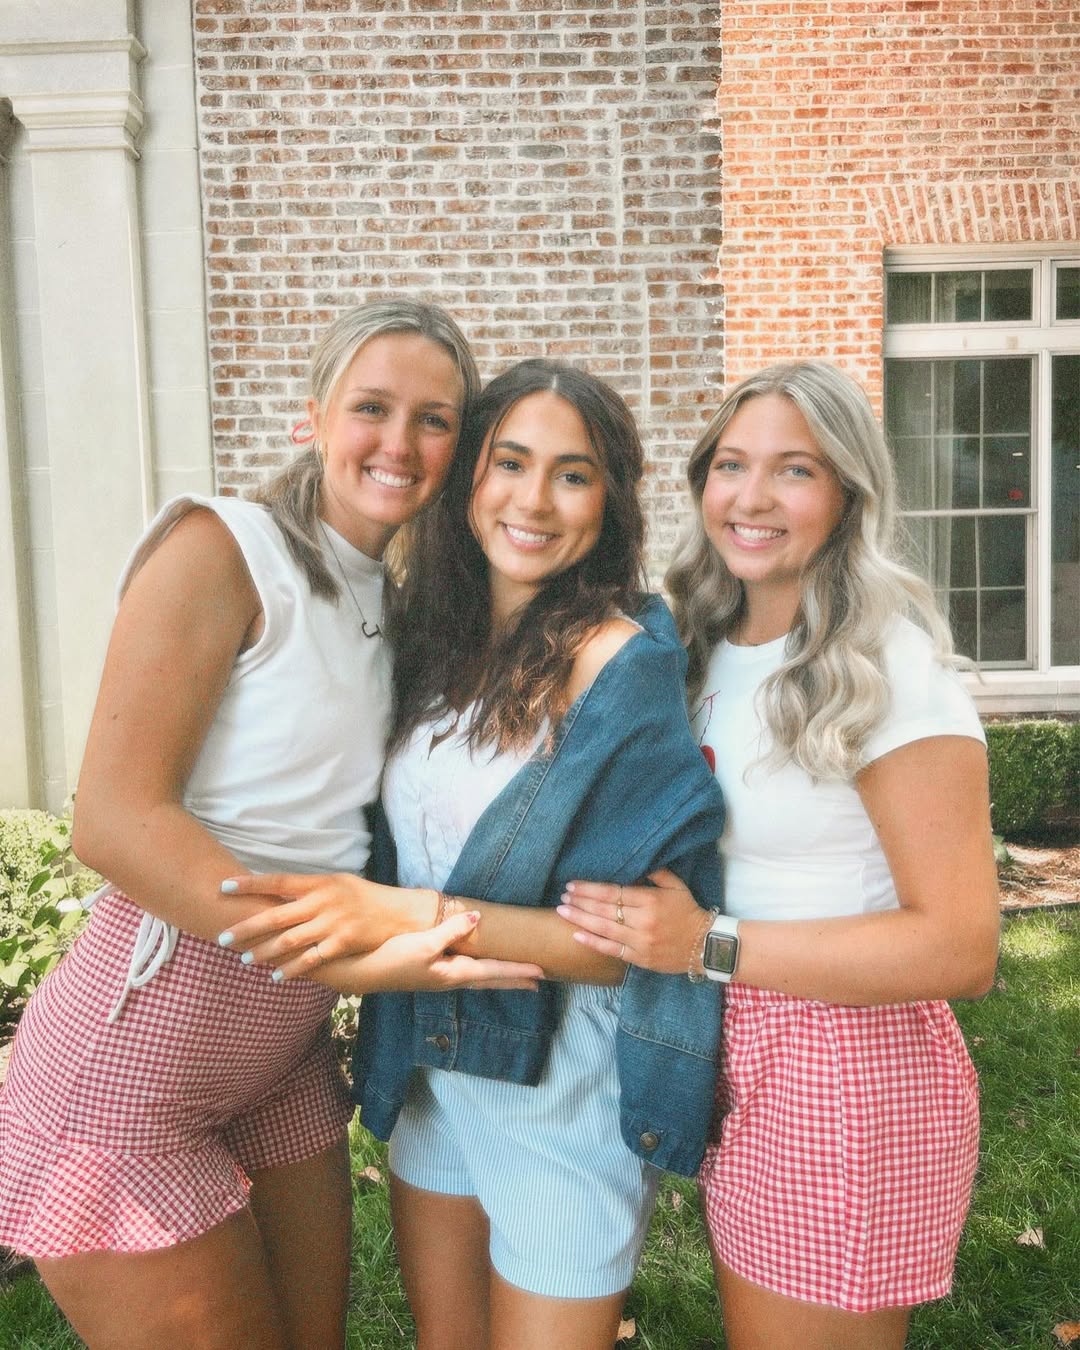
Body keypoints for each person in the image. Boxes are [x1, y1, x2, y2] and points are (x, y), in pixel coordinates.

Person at [0, 299, 543, 1350]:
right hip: (140, 1061)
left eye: (434, 419)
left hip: (280, 1056)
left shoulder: (394, 601)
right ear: (315, 415)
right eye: (372, 407)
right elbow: (112, 820)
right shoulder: (223, 547)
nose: (399, 442)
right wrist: (352, 962)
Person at [219, 358, 726, 1350]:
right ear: (470, 481)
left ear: (610, 501)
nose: (533, 501)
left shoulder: (621, 666)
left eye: (573, 475)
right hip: (428, 1070)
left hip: (556, 1085)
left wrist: (410, 918)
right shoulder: (432, 641)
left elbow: (628, 945)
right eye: (510, 463)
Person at [558, 360, 1001, 1350]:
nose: (751, 498)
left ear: (849, 493)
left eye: (794, 470)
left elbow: (962, 946)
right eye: (731, 464)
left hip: (841, 1063)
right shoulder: (704, 644)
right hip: (735, 1039)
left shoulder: (887, 668)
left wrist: (705, 944)